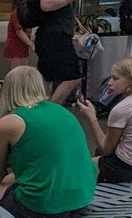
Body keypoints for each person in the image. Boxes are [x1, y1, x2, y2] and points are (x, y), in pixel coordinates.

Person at [0, 66, 95, 217]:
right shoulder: (62, 110)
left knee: (4, 185)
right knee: (11, 180)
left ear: (8, 89)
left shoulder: (10, 121)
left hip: (42, 205)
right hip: (82, 197)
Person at [76, 56, 132, 183]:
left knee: (82, 168)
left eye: (115, 78)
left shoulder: (123, 108)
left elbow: (106, 149)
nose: (109, 82)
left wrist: (92, 117)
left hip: (126, 168)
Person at [34, 0, 82, 105]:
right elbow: (46, 4)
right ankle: (52, 110)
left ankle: (45, 109)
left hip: (48, 37)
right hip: (56, 39)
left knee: (49, 78)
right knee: (73, 76)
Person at [5, 0, 35, 69]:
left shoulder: (21, 13)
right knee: (18, 75)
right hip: (16, 50)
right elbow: (19, 32)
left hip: (21, 50)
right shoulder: (17, 13)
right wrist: (32, 44)